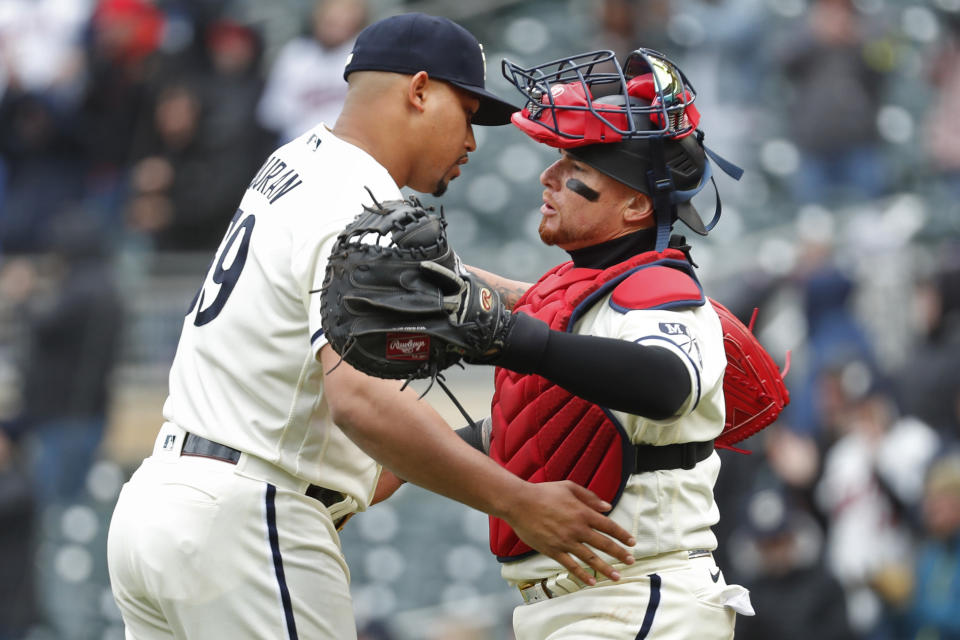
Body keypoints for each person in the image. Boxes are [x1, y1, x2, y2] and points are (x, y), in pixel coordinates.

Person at [106, 13, 636, 640]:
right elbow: (359, 400)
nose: (472, 141)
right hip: (248, 520)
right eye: (467, 113)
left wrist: (541, 299)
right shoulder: (356, 199)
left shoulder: (300, 161)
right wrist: (514, 500)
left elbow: (406, 275)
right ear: (418, 91)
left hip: (159, 507)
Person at [452, 48, 755, 638]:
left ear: (638, 204)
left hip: (639, 596)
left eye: (577, 172)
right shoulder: (577, 292)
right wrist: (381, 468)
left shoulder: (659, 285)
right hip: (590, 603)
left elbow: (668, 385)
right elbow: (530, 427)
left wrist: (508, 337)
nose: (549, 177)